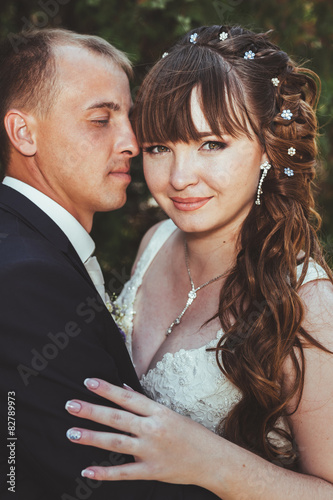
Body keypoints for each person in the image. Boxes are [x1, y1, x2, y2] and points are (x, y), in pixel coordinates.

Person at [65, 25, 333, 498]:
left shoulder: (307, 300)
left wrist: (212, 462)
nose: (179, 178)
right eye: (159, 148)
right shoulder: (155, 242)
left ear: (268, 149)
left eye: (211, 144)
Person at [0, 28, 218, 500]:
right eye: (101, 119)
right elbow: (98, 480)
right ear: (24, 133)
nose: (132, 144)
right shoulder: (26, 277)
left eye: (129, 118)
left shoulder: (32, 244)